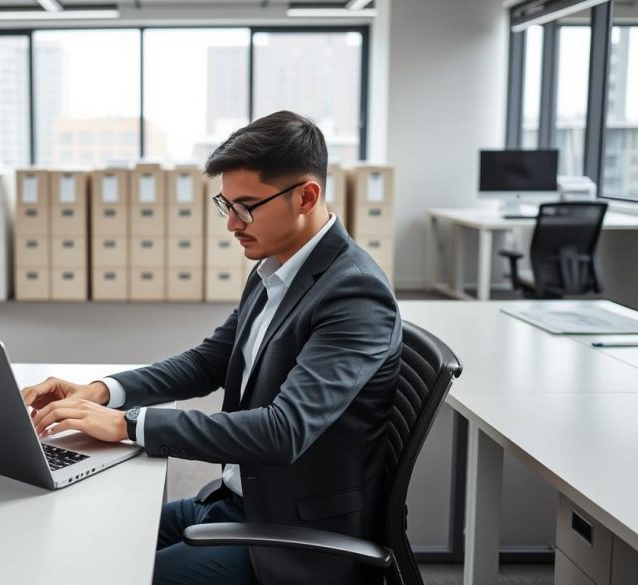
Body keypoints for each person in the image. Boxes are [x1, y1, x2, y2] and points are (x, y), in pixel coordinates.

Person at [21, 111, 402, 585]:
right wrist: (103, 390)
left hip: (292, 538)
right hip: (236, 504)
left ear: (306, 196)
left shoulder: (354, 294)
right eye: (227, 205)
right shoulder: (276, 269)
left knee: (126, 574)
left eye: (246, 207)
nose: (232, 225)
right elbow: (208, 362)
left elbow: (283, 431)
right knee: (86, 536)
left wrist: (129, 424)